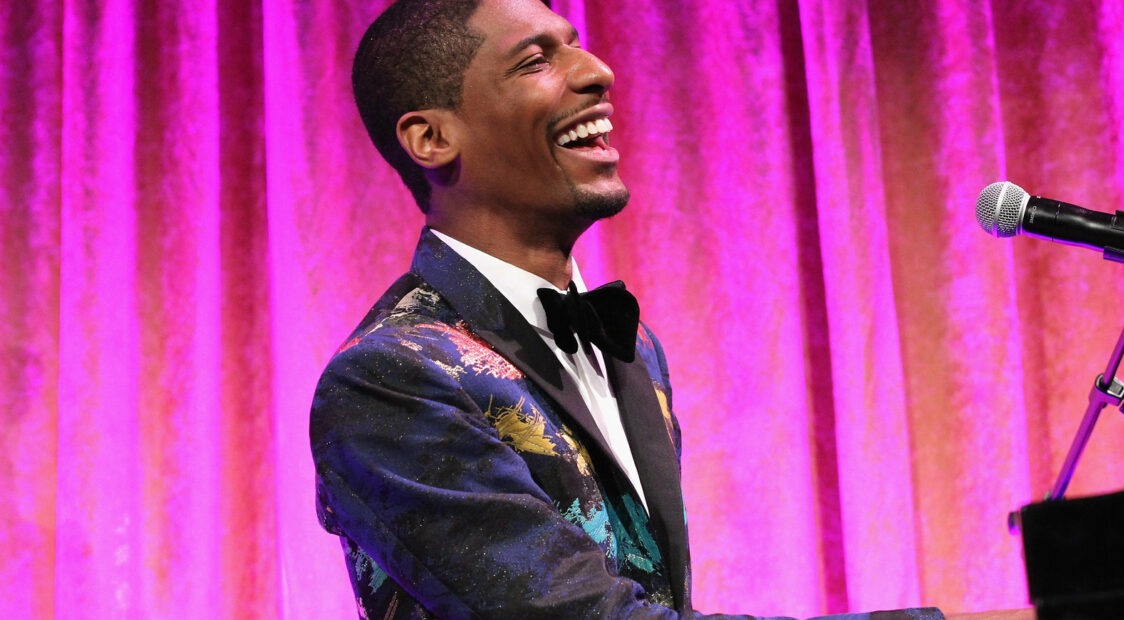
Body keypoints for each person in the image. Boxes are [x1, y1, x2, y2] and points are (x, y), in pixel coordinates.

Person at [309, 0, 946, 618]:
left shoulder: (633, 343)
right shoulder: (388, 378)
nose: (597, 71)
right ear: (432, 137)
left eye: (576, 44)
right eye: (535, 61)